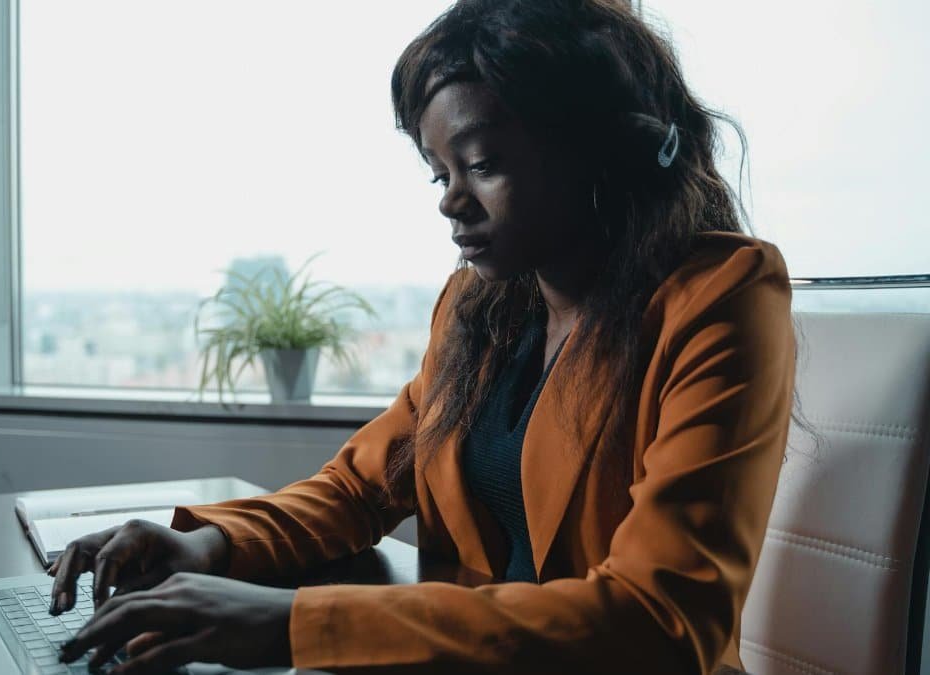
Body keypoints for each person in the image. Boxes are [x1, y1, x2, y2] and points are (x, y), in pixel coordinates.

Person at [51, 0, 796, 672]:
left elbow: (660, 620)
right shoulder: (483, 308)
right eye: (437, 170)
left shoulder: (721, 299)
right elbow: (359, 486)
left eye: (481, 164)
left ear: (598, 152)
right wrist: (207, 546)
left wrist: (292, 624)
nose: (450, 200)